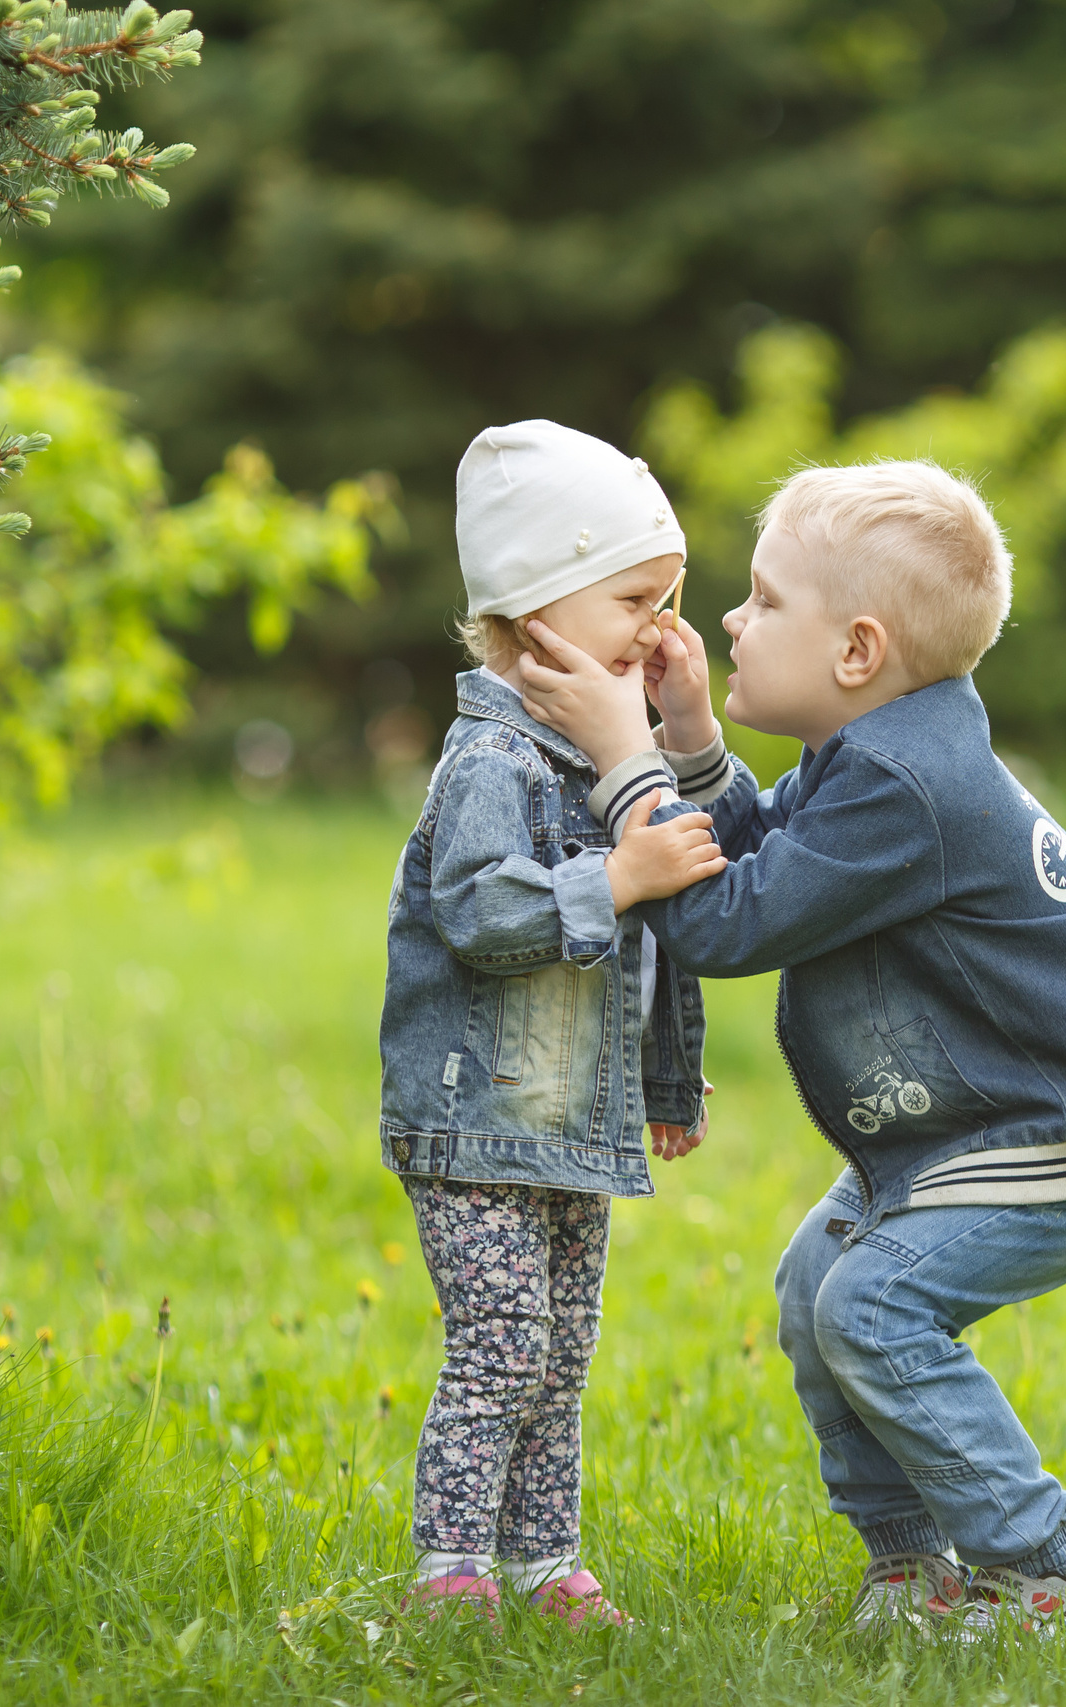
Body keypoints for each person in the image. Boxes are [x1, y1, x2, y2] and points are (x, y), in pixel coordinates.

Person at [513, 460, 1066, 1640]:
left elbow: (721, 919)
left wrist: (622, 760)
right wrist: (690, 739)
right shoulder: (883, 747)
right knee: (817, 1287)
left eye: (762, 600)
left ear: (855, 651)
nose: (730, 622)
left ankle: (1038, 1580)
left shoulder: (904, 781)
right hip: (1011, 1092)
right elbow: (758, 861)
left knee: (874, 1307)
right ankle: (914, 1566)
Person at [378, 420, 728, 1628]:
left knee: (563, 1353)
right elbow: (477, 914)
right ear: (539, 617)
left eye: (669, 597)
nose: (661, 624)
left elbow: (682, 891)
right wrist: (612, 882)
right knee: (500, 1344)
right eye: (636, 596)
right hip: (477, 1122)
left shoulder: (600, 751)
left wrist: (681, 732)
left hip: (570, 1120)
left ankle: (543, 1563)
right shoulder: (491, 761)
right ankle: (453, 1571)